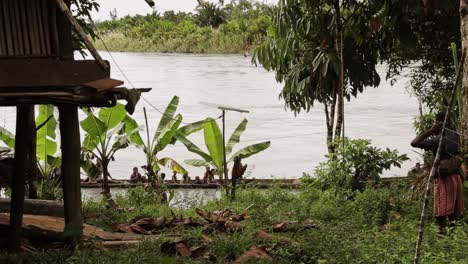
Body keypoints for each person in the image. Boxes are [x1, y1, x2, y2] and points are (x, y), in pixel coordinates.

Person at [411, 111, 465, 233]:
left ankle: (442, 235)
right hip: (456, 178)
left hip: (444, 180)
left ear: (439, 123)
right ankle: (452, 234)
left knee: (441, 211)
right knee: (453, 212)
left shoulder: (439, 141)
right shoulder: (455, 136)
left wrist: (431, 131)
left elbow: (414, 143)